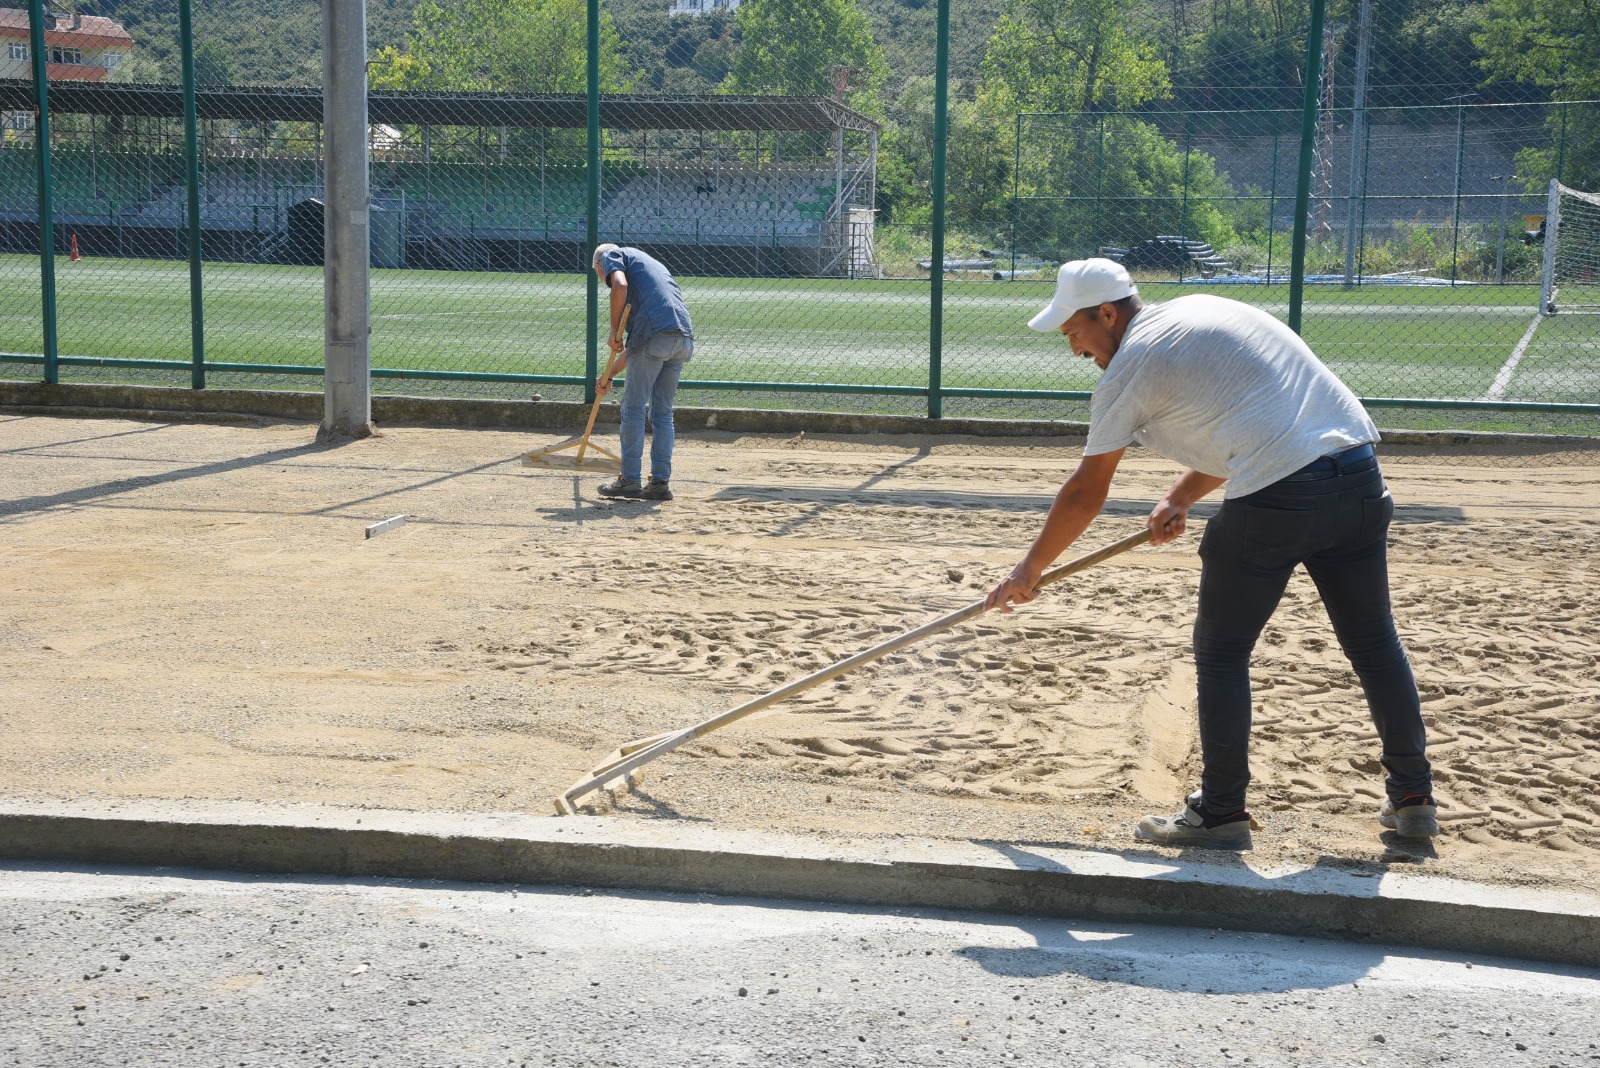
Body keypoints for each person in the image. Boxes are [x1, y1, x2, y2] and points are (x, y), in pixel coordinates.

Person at [984, 258, 1436, 851]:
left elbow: (1086, 491)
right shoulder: (1201, 310)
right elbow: (1258, 417)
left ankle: (1221, 812)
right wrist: (1178, 497)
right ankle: (1413, 799)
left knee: (1221, 652)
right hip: (1357, 474)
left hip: (1281, 496)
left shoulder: (1130, 367)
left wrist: (1029, 570)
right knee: (1375, 643)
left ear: (1106, 313)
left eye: (1074, 333)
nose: (1074, 350)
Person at [592, 243, 695, 502]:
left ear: (598, 266)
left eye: (598, 273)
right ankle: (660, 483)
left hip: (655, 337)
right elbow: (638, 349)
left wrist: (613, 330)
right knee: (662, 413)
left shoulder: (611, 256)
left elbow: (620, 286)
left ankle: (629, 479)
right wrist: (609, 375)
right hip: (682, 339)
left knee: (633, 409)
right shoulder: (650, 264)